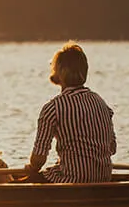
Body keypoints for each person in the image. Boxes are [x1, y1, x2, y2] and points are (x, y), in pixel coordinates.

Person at [26, 42, 117, 183]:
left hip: (72, 180)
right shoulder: (101, 103)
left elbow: (39, 159)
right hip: (103, 178)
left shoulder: (53, 108)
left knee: (28, 180)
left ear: (59, 72)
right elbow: (112, 148)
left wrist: (30, 168)